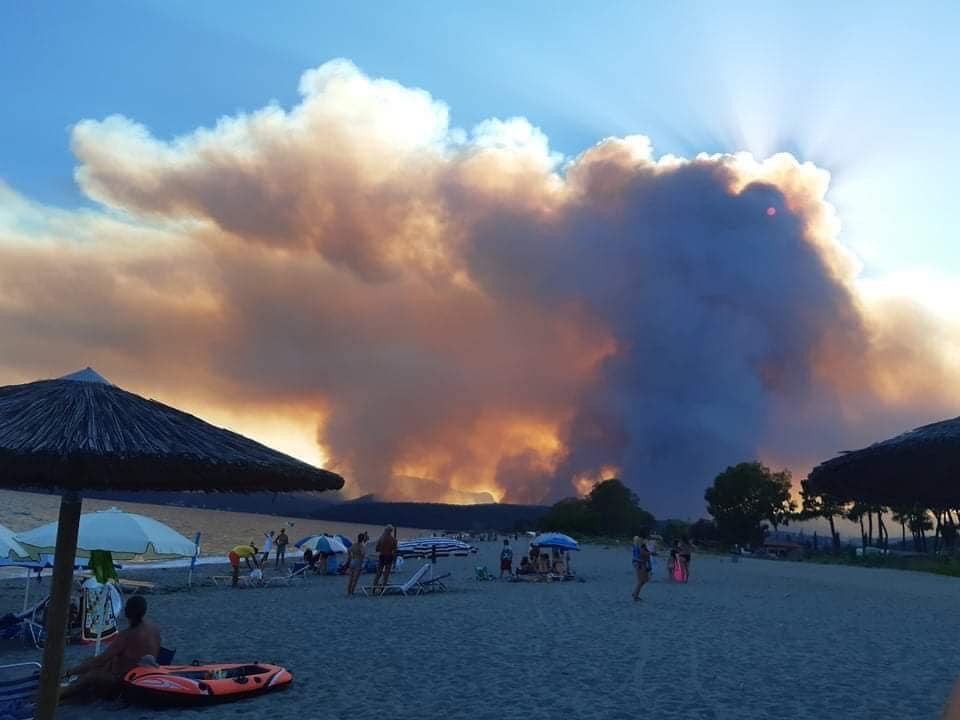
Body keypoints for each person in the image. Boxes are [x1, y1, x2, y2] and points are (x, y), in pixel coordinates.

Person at [60, 596, 160, 702]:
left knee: (90, 675)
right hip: (145, 673)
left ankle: (59, 694)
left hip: (124, 682)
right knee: (96, 663)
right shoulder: (154, 627)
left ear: (127, 612)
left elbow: (99, 660)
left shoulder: (127, 635)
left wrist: (69, 672)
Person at [373, 525, 398, 591]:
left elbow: (377, 549)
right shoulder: (393, 540)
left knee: (378, 573)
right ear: (391, 531)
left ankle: (374, 587)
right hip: (389, 556)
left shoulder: (381, 539)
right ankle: (382, 588)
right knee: (386, 574)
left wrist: (382, 548)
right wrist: (395, 562)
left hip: (382, 556)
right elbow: (395, 552)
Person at [632, 536, 651, 601]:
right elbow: (641, 552)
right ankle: (635, 595)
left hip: (642, 563)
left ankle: (635, 593)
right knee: (641, 580)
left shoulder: (642, 543)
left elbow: (645, 554)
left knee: (644, 580)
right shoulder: (640, 542)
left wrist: (649, 564)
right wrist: (650, 553)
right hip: (640, 563)